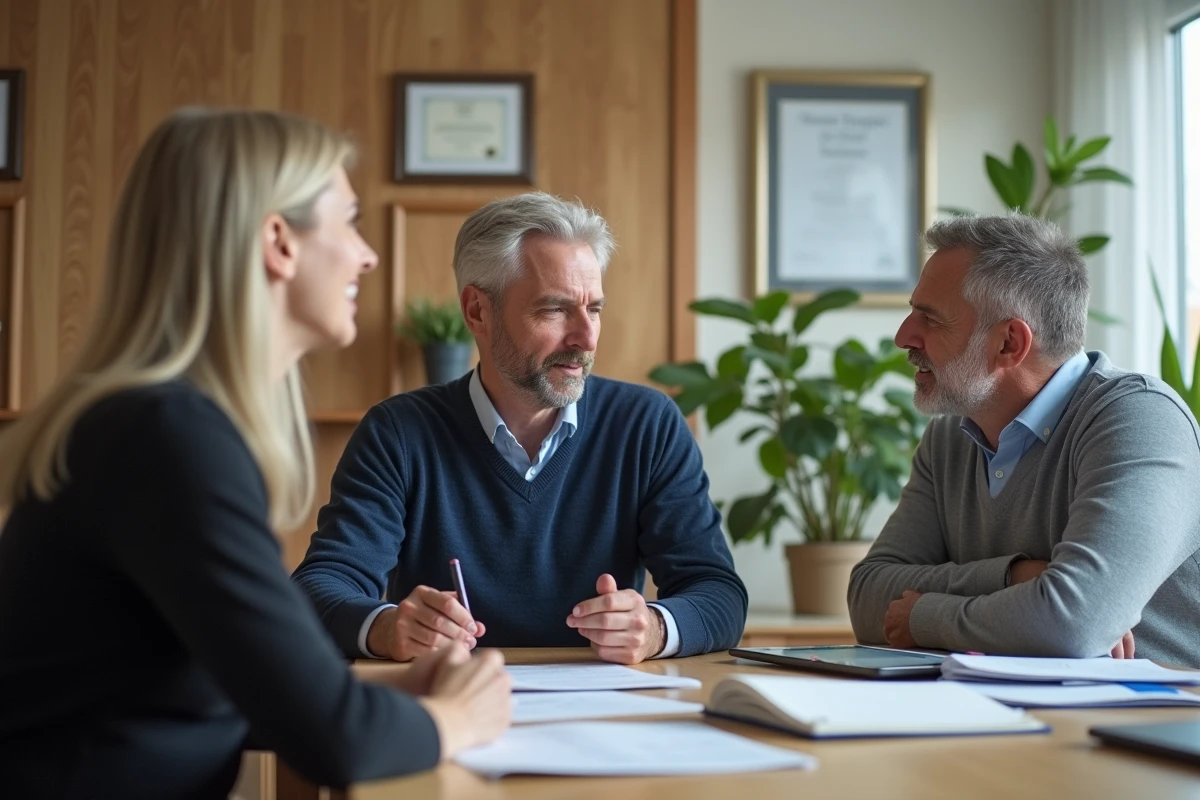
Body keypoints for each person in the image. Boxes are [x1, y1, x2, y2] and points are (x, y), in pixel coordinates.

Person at [0, 108, 512, 799]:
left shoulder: (150, 424)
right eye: (350, 221)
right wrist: (457, 719)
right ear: (279, 242)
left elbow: (230, 692)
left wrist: (393, 688)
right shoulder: (167, 439)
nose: (368, 254)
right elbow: (334, 742)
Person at [293, 192, 747, 666]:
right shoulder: (399, 433)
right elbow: (319, 588)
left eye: (593, 309)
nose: (586, 337)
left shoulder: (646, 425)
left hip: (605, 716)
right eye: (555, 310)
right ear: (477, 312)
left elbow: (718, 594)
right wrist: (387, 627)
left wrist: (655, 628)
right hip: (452, 711)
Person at [847, 214, 1200, 668]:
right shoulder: (948, 439)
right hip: (1008, 717)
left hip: (1152, 728)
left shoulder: (1139, 418)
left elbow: (1073, 623)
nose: (903, 336)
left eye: (929, 319)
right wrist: (1015, 576)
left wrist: (923, 616)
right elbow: (867, 597)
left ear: (1010, 343)